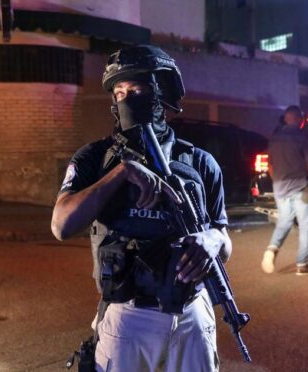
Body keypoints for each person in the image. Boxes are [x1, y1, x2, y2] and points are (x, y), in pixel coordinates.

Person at [51, 45, 232, 371]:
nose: (125, 100)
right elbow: (62, 225)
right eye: (119, 92)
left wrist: (213, 241)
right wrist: (123, 171)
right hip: (129, 316)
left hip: (193, 313)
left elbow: (222, 235)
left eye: (136, 90)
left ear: (161, 94)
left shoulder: (200, 162)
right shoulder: (95, 159)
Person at [261, 105, 308, 276]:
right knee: (305, 226)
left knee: (284, 221)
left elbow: (270, 165)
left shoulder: (274, 138)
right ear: (300, 120)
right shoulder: (303, 138)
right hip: (300, 187)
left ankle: (271, 249)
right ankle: (302, 265)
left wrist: (277, 180)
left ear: (285, 119)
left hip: (280, 187)